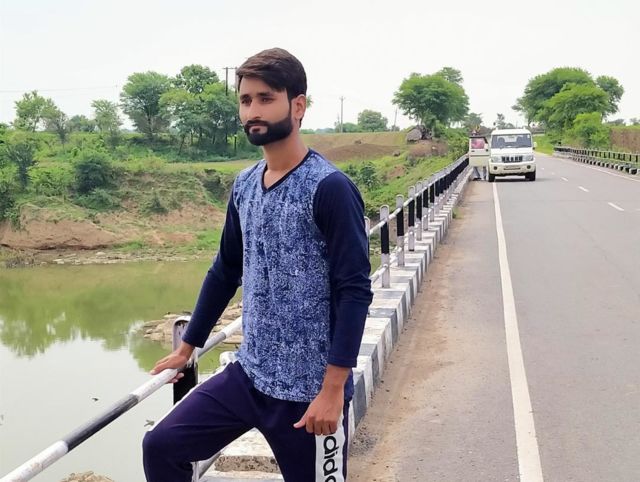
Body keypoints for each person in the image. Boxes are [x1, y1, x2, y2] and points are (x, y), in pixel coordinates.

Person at [142, 47, 373, 482]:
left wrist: (333, 389)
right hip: (250, 375)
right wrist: (187, 349)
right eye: (246, 100)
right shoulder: (245, 184)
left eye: (266, 98)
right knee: (162, 446)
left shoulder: (330, 189)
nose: (253, 111)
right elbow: (225, 269)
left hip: (309, 393)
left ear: (298, 106)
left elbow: (354, 291)